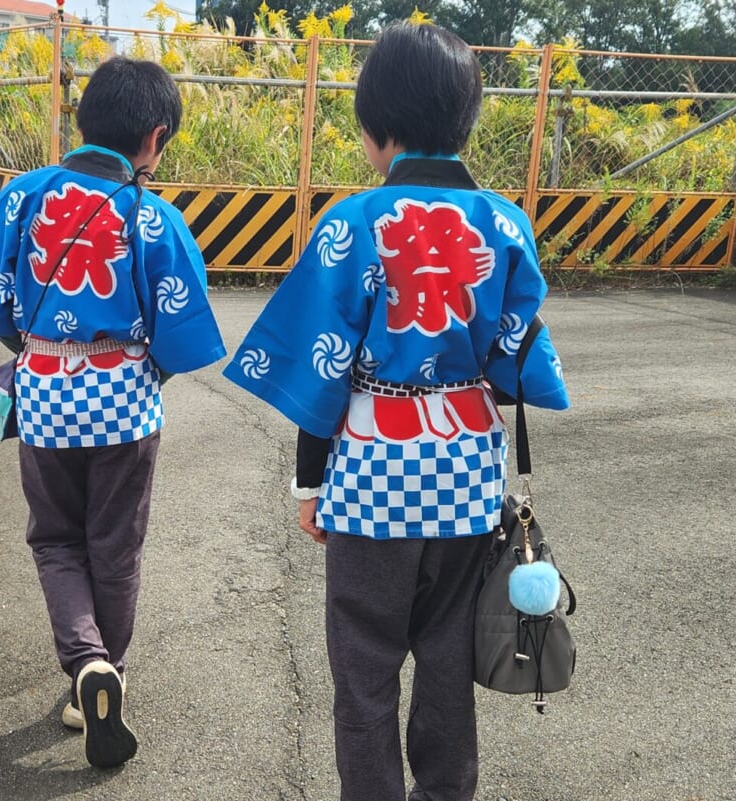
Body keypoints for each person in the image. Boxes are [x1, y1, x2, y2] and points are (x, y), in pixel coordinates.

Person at [222, 19, 569, 801]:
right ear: (466, 119)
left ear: (375, 132)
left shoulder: (349, 225)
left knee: (364, 665)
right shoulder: (506, 224)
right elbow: (515, 372)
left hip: (371, 477)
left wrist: (309, 485)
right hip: (466, 480)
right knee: (447, 658)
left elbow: (322, 372)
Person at [0, 56, 226, 769]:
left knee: (55, 541)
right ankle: (109, 673)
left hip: (43, 394)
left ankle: (83, 662)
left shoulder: (23, 196)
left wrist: (35, 348)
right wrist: (140, 365)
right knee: (116, 546)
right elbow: (184, 333)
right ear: (155, 137)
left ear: (81, 121)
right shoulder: (152, 217)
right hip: (124, 403)